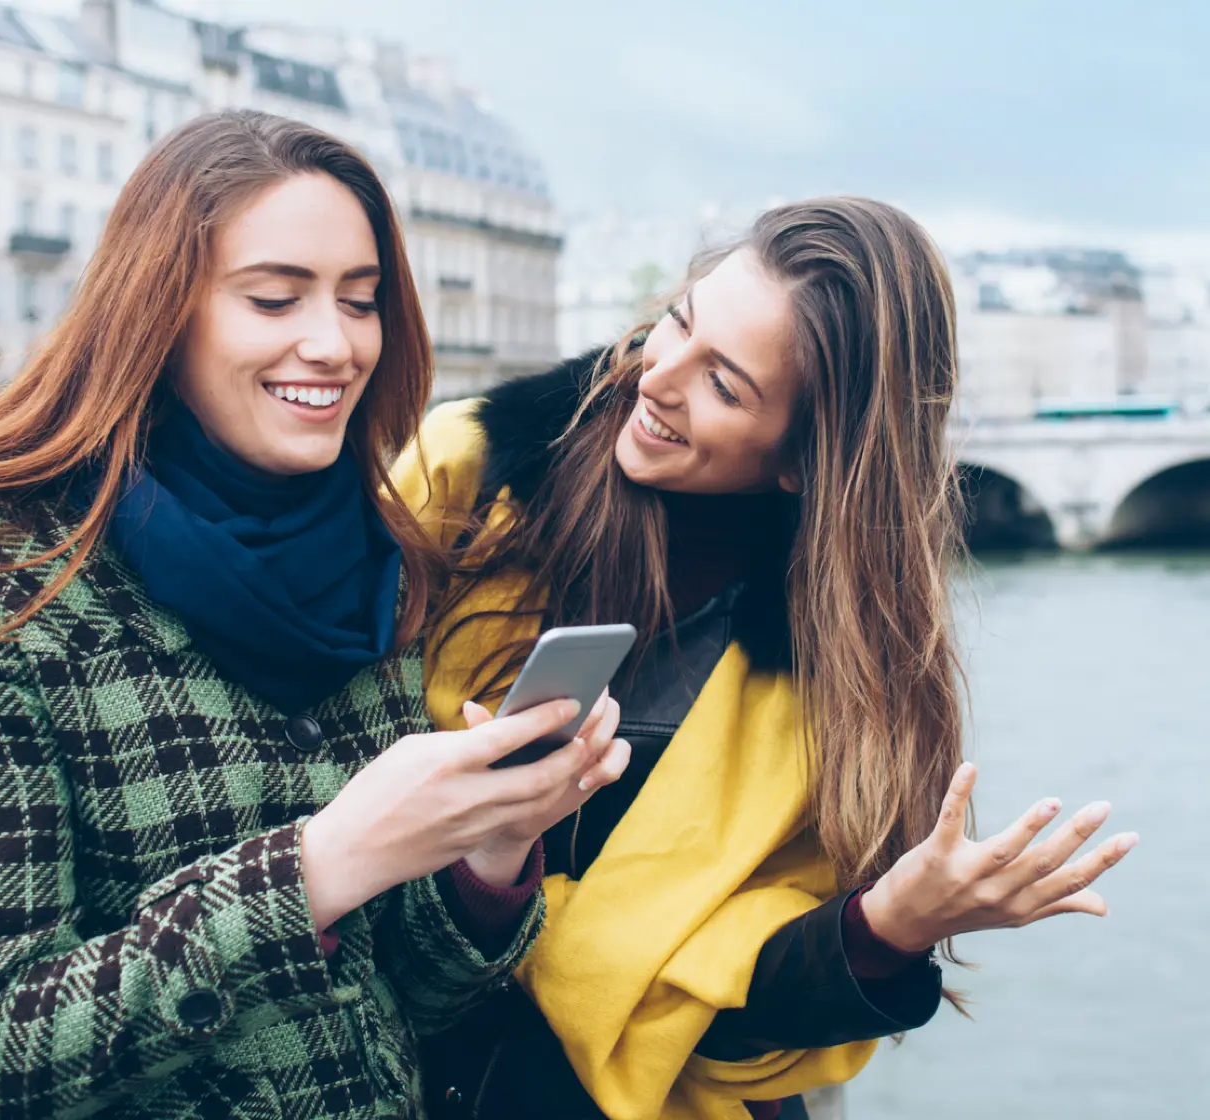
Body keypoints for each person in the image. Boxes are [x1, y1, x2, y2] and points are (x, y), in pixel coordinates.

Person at [0, 110, 627, 1120]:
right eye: (275, 298)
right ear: (160, 310)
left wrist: (490, 851)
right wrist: (323, 864)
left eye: (361, 302)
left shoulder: (381, 557)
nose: (334, 344)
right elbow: (3, 1047)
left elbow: (398, 998)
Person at [393, 197, 1138, 1120]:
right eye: (676, 323)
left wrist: (881, 931)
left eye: (725, 386)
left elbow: (729, 1024)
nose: (655, 378)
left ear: (803, 461)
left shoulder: (846, 676)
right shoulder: (470, 477)